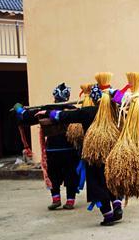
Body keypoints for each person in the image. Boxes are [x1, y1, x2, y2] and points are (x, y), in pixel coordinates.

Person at [46, 83, 124, 225]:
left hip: (94, 155)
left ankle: (108, 215)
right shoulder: (115, 111)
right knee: (112, 179)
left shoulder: (87, 112)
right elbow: (126, 102)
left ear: (94, 99)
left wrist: (49, 113)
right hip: (112, 152)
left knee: (97, 182)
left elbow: (64, 116)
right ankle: (117, 204)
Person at [15, 83, 81, 210]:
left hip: (54, 150)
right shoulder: (73, 110)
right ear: (67, 97)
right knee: (70, 174)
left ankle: (56, 199)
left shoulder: (46, 110)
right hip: (69, 150)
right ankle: (70, 201)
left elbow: (25, 116)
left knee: (54, 174)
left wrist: (19, 109)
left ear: (55, 97)